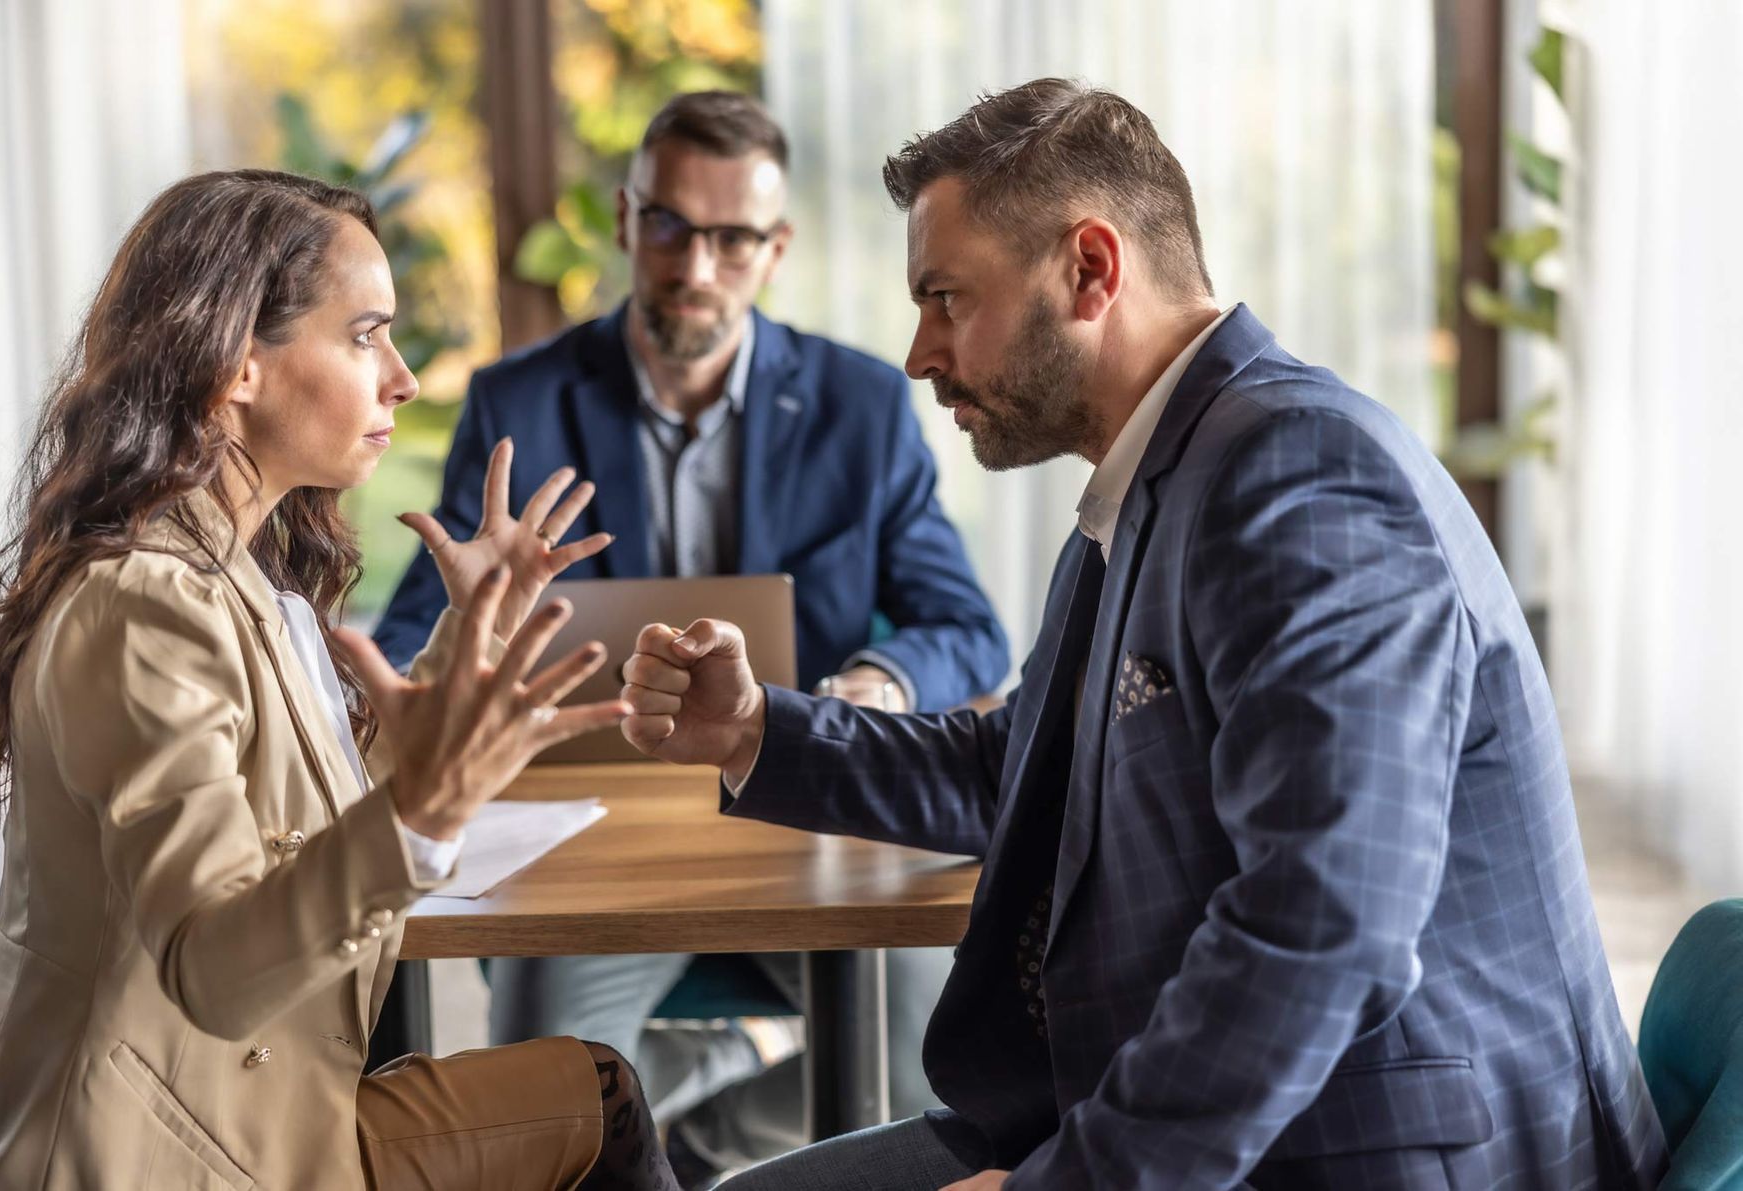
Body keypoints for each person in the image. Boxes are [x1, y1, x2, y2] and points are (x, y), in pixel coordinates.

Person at [617, 80, 1668, 1190]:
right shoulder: (1155, 482)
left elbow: (1323, 919)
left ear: (1091, 269)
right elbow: (1016, 770)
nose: (920, 353)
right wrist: (751, 729)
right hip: (1185, 1113)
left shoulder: (1302, 477)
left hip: (1375, 1153)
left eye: (943, 298)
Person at [0, 169, 679, 1190]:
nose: (402, 376)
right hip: (148, 1154)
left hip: (251, 1108)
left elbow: (313, 817)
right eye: (365, 335)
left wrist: (464, 636)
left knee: (594, 1085)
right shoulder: (144, 605)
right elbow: (215, 972)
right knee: (598, 1095)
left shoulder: (234, 573)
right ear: (236, 366)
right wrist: (418, 821)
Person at [373, 91, 1008, 1174]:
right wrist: (441, 657)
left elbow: (964, 625)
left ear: (775, 249)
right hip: (591, 838)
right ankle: (675, 1132)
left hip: (811, 819)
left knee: (944, 1053)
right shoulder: (516, 402)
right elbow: (414, 631)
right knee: (538, 1086)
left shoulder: (858, 405)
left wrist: (873, 685)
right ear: (625, 221)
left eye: (730, 238)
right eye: (669, 225)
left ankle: (696, 1135)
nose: (694, 266)